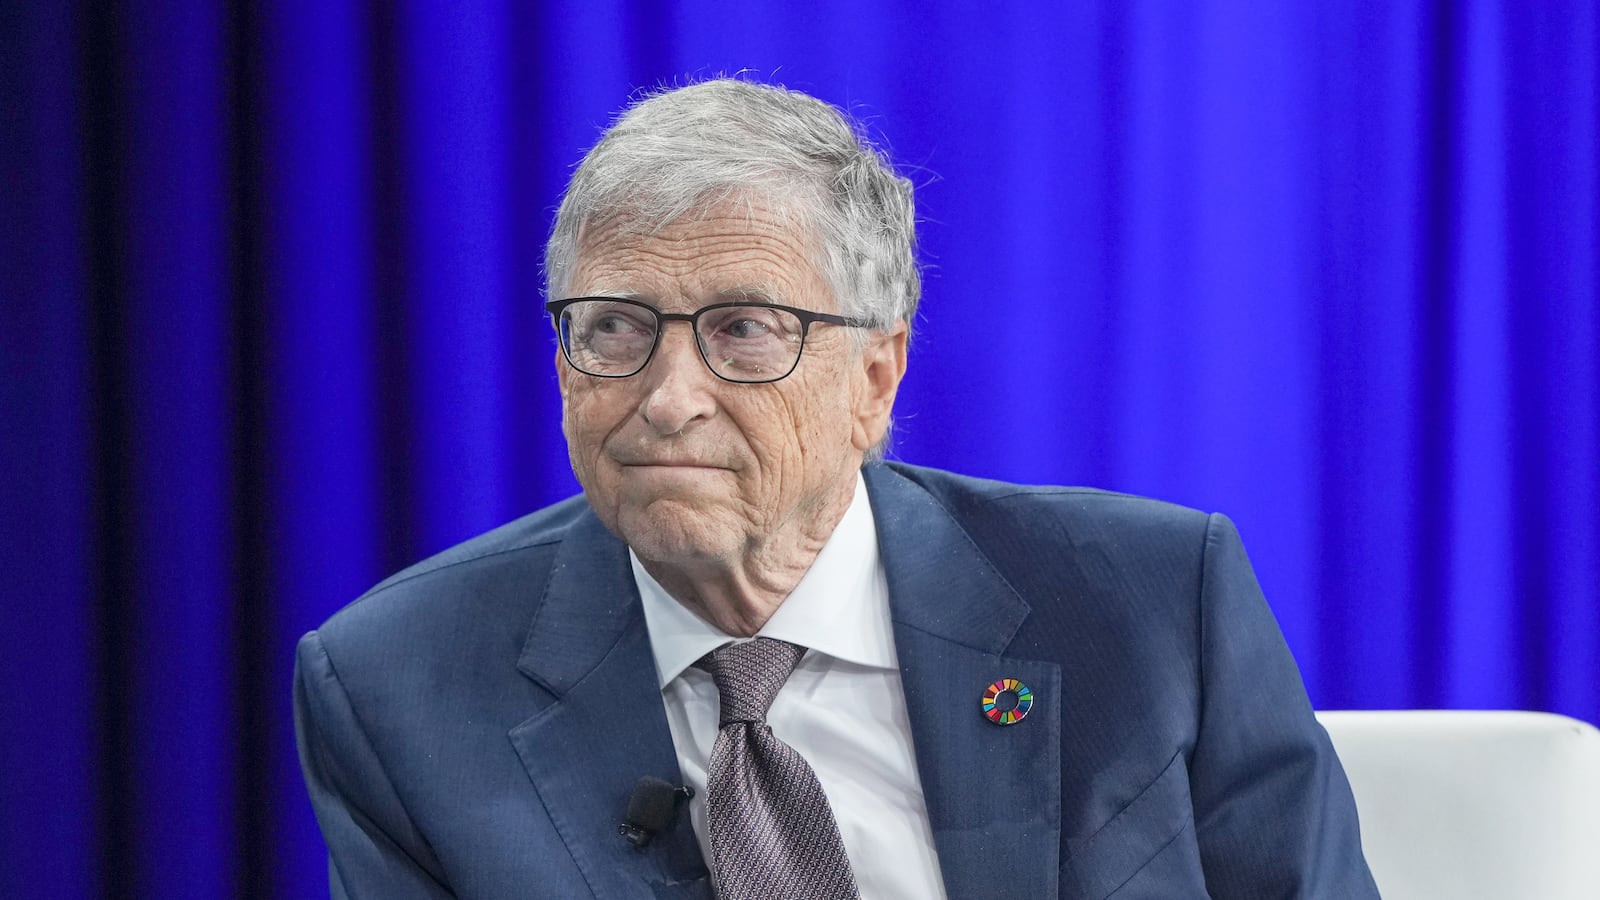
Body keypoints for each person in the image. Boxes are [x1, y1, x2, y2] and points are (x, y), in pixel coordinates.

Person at [294, 78, 1379, 900]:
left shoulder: (1148, 604)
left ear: (875, 375)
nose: (668, 399)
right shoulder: (402, 688)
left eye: (743, 331)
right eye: (614, 328)